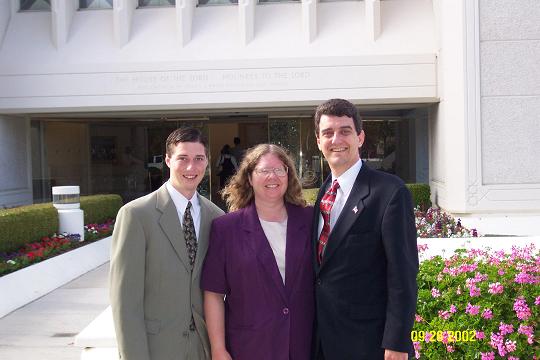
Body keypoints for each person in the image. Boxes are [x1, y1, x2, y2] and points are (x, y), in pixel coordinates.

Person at [312, 99, 418, 360]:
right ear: (318, 141)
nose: (336, 139)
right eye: (328, 133)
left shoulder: (390, 192)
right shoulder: (323, 193)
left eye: (345, 131)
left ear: (360, 137)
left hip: (370, 345)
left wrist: (397, 342)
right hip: (322, 342)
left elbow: (403, 275)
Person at [110, 127, 225, 360]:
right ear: (168, 160)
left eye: (199, 159)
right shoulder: (136, 215)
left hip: (203, 349)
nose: (191, 167)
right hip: (157, 350)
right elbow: (125, 303)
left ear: (207, 162)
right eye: (182, 158)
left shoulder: (217, 218)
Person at [201, 144, 314, 360]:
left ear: (288, 175)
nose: (273, 176)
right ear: (250, 178)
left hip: (302, 344)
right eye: (263, 171)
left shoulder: (309, 219)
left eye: (280, 170)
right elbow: (213, 294)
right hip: (250, 347)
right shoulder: (226, 228)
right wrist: (218, 348)